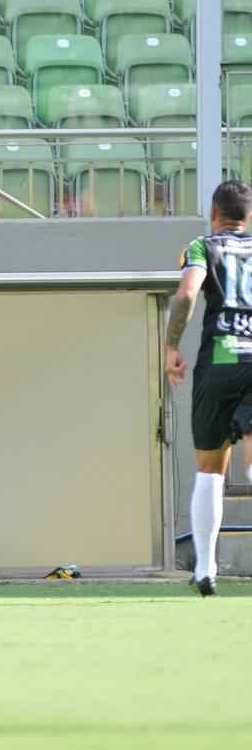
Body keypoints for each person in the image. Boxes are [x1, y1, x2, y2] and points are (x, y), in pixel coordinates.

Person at [165, 180, 252, 598]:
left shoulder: (201, 246)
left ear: (214, 214)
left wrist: (170, 346)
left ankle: (205, 567)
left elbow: (186, 294)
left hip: (217, 364)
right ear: (248, 217)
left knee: (210, 468)